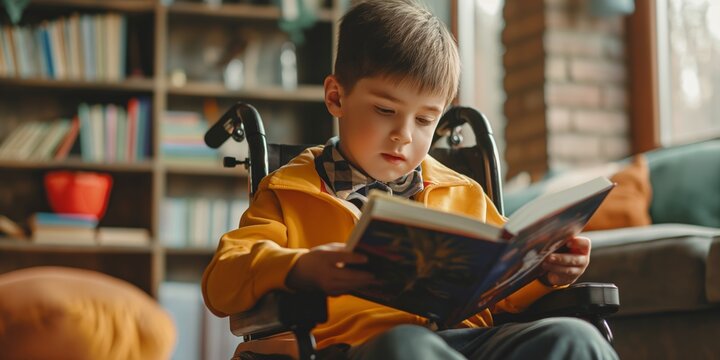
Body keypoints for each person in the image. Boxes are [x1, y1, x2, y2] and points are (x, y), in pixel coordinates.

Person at [202, 0, 618, 359]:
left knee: (573, 338)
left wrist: (545, 271)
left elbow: (500, 290)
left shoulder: (463, 194)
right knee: (408, 349)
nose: (404, 134)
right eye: (385, 111)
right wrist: (300, 267)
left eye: (424, 120)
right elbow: (223, 281)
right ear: (336, 97)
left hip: (469, 341)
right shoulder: (288, 192)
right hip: (357, 349)